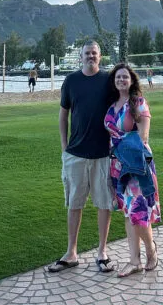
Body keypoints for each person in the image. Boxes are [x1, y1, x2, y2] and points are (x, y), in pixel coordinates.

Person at [47, 41, 114, 274]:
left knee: (104, 204)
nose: (91, 56)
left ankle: (102, 252)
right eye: (87, 53)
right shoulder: (71, 81)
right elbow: (63, 114)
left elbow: (122, 104)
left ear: (100, 56)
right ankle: (71, 253)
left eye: (94, 53)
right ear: (81, 57)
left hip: (103, 154)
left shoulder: (108, 81)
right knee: (74, 204)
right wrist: (65, 146)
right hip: (75, 154)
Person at [104, 63, 161, 278]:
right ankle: (134, 261)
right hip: (118, 166)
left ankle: (151, 251)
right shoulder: (112, 104)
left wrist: (119, 144)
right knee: (128, 212)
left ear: (131, 80)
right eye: (118, 77)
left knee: (138, 212)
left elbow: (143, 136)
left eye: (124, 77)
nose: (121, 80)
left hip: (136, 165)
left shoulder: (138, 102)